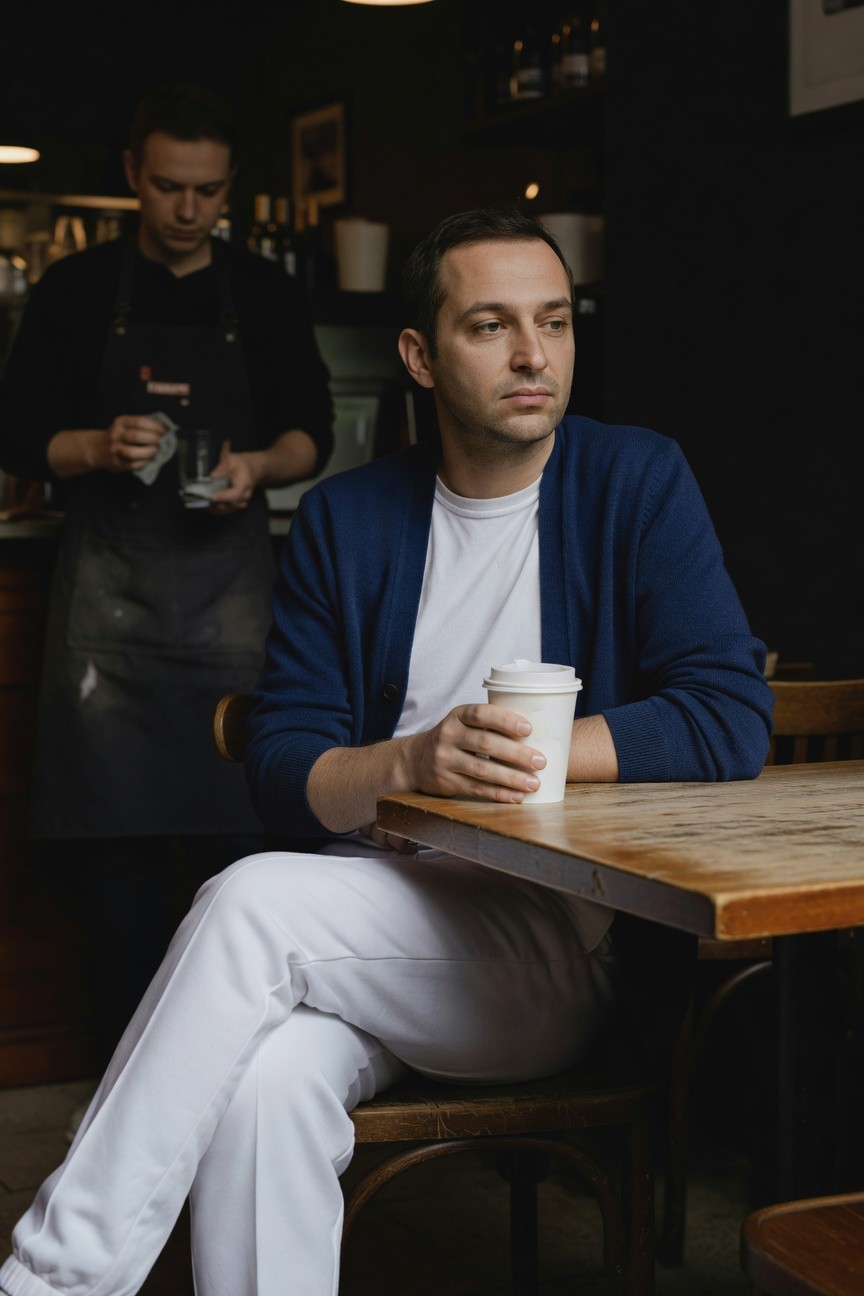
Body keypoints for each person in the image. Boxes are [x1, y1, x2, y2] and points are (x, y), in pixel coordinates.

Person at [0, 207, 773, 1296]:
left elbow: (729, 713)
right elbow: (283, 763)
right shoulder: (348, 518)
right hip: (367, 923)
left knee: (250, 901)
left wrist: (528, 757)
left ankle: (50, 1282)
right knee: (267, 1082)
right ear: (418, 354)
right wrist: (413, 765)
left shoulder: (633, 482)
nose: (532, 355)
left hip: (555, 942)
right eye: (491, 326)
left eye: (554, 321)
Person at [0, 83, 334, 1064]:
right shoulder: (75, 290)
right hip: (110, 621)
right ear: (135, 178)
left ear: (229, 186)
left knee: (241, 852)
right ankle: (125, 1077)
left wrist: (257, 469)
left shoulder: (263, 295)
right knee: (119, 870)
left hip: (229, 607)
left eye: (209, 192)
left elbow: (308, 431)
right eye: (171, 189)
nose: (190, 211)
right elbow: (15, 433)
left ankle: (230, 1071)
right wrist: (97, 445)